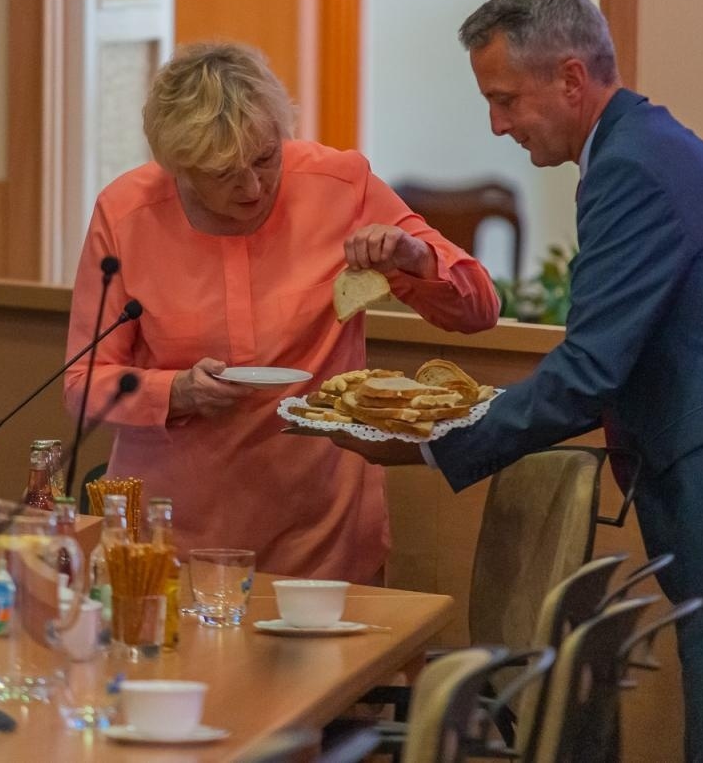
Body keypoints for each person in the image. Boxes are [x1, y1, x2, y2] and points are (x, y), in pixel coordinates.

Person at [334, 0, 703, 761]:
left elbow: (588, 373)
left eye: (505, 100)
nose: (497, 125)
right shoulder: (637, 149)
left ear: (571, 79)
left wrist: (431, 442)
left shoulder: (633, 167)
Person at [62, 42, 500, 583]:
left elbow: (479, 308)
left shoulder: (341, 184)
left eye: (266, 158)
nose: (252, 187)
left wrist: (417, 258)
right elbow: (83, 385)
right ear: (179, 169)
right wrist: (177, 392)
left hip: (323, 534)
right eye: (223, 173)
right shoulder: (126, 212)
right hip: (170, 538)